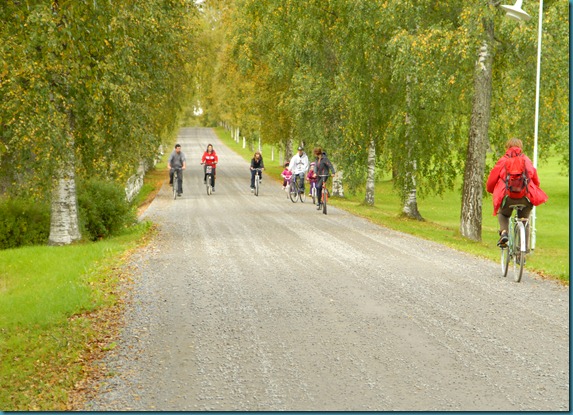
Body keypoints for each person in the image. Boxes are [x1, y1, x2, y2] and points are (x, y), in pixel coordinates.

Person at [486, 138, 548, 248]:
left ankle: (504, 233)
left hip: (507, 196)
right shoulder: (526, 160)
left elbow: (492, 179)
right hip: (525, 196)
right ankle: (523, 251)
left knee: (503, 214)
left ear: (507, 147)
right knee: (524, 220)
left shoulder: (503, 160)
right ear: (521, 147)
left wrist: (491, 190)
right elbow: (535, 178)